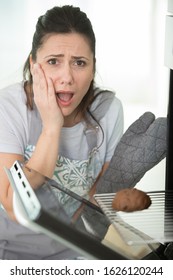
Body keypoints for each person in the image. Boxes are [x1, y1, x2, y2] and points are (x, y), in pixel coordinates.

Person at [0, 5, 123, 259]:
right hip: (8, 250)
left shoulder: (108, 110)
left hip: (75, 250)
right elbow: (14, 204)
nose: (66, 77)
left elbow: (99, 201)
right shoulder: (9, 106)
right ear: (34, 64)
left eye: (79, 63)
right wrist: (52, 127)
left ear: (93, 67)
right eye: (53, 61)